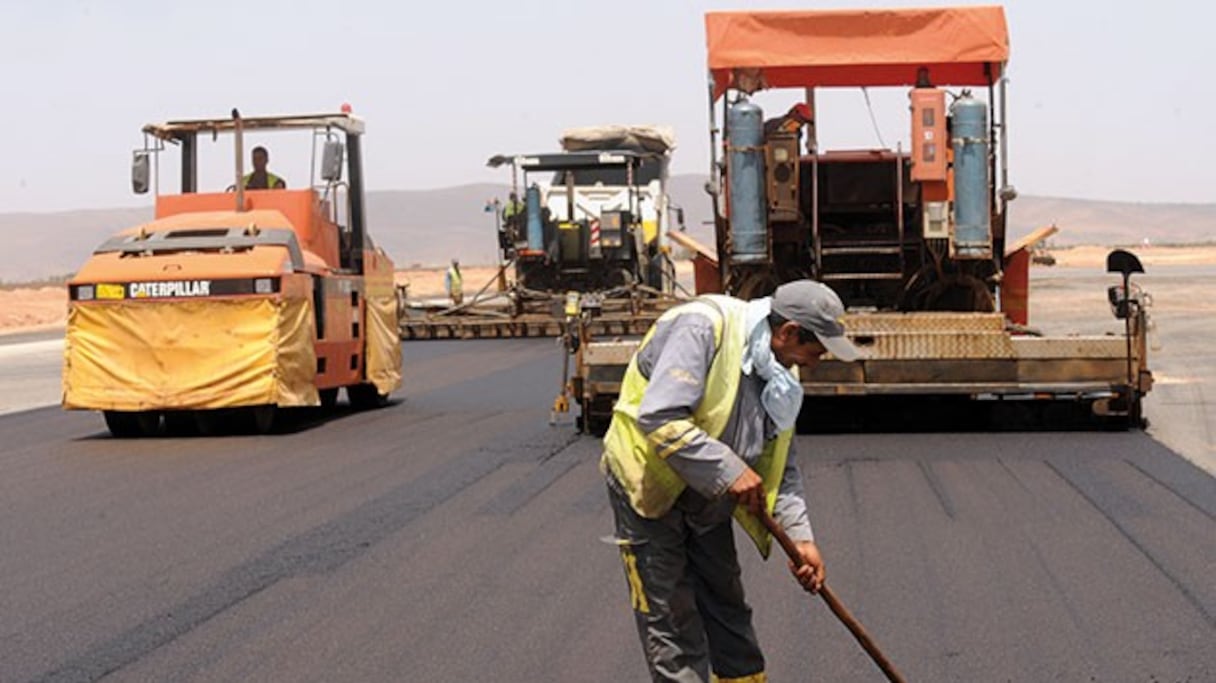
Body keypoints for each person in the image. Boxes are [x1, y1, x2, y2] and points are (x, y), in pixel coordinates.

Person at [601, 279, 863, 682]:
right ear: (787, 331)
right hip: (647, 486)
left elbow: (781, 466)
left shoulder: (780, 378)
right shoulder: (702, 328)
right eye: (816, 350)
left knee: (727, 606)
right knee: (672, 618)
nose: (817, 361)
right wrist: (728, 469)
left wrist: (802, 539)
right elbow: (660, 416)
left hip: (707, 495)